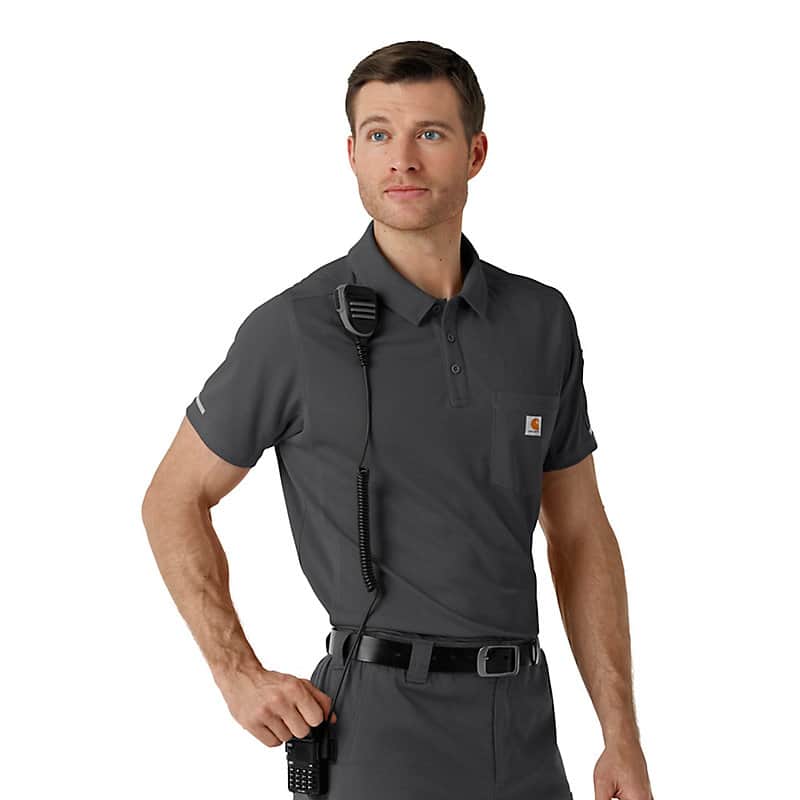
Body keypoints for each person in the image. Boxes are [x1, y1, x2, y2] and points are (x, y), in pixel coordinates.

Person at [141, 40, 654, 800]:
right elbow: (173, 498)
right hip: (376, 729)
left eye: (430, 133)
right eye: (379, 134)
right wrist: (237, 673)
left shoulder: (541, 321)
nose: (402, 160)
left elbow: (580, 534)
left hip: (523, 727)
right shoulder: (294, 329)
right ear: (351, 153)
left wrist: (620, 735)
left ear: (476, 153)